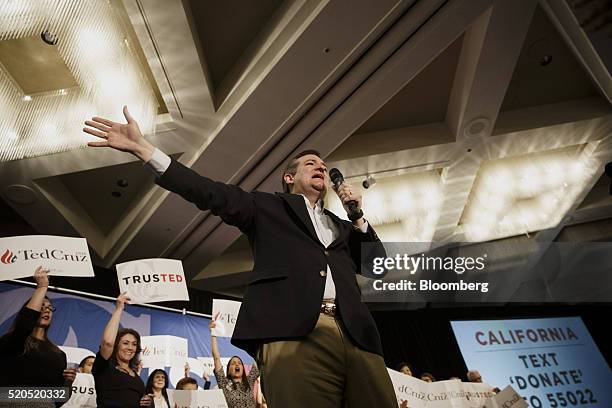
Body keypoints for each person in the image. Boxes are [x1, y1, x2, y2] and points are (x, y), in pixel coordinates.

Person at [83, 107, 397, 407]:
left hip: (357, 335)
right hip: (296, 331)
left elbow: (378, 266)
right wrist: (145, 150)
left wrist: (357, 216)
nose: (321, 168)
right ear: (289, 178)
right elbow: (207, 191)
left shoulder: (343, 226)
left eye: (324, 167)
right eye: (311, 163)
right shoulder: (266, 208)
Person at [0, 267, 76, 407]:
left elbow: (58, 400)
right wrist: (42, 287)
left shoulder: (59, 354)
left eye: (49, 307)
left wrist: (68, 383)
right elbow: (24, 326)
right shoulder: (14, 341)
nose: (46, 309)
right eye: (41, 306)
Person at [92, 292, 151, 407]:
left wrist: (147, 402)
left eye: (134, 344)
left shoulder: (136, 376)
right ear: (116, 346)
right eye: (125, 343)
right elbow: (107, 343)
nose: (130, 347)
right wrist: (119, 309)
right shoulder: (105, 367)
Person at [209, 320, 258, 408]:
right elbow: (216, 358)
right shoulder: (224, 383)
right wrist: (213, 333)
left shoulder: (249, 381)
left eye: (239, 363)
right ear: (228, 370)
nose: (237, 365)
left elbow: (257, 356)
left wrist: (258, 334)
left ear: (243, 369)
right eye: (233, 363)